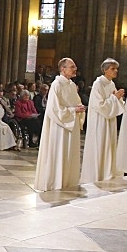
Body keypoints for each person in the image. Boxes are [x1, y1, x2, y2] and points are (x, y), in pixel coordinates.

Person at [34, 57, 87, 192]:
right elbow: (54, 109)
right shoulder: (57, 85)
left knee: (69, 153)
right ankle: (56, 182)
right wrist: (73, 110)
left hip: (71, 124)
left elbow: (76, 102)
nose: (75, 69)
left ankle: (67, 180)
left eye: (75, 67)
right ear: (63, 69)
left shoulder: (71, 85)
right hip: (60, 127)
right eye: (72, 67)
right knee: (59, 153)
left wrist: (79, 108)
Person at [80, 59, 126, 184]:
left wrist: (118, 98)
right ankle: (97, 173)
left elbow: (114, 101)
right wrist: (114, 98)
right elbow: (99, 105)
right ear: (105, 70)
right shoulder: (98, 84)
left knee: (109, 143)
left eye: (116, 68)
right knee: (100, 144)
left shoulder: (111, 84)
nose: (116, 71)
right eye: (113, 68)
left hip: (109, 119)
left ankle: (107, 171)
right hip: (100, 120)